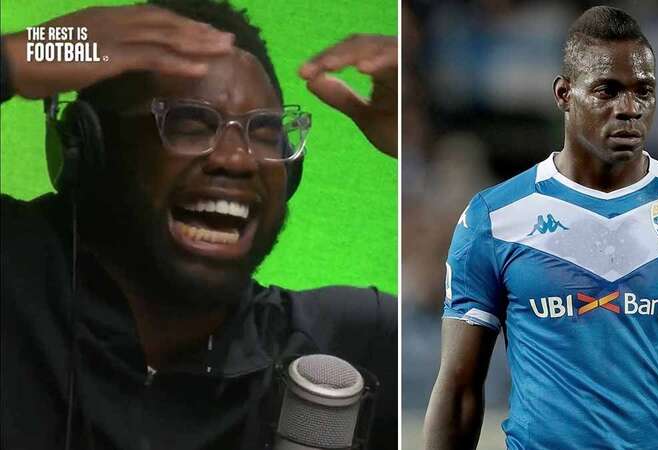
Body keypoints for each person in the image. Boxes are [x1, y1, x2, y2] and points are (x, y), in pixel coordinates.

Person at [0, 1, 397, 449]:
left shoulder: (342, 347)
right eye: (190, 123)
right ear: (89, 148)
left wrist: (419, 134)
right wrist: (17, 58)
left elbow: (486, 299)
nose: (236, 158)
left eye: (264, 132)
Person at [423, 6, 658, 450]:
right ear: (564, 93)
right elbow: (458, 391)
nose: (629, 109)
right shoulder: (494, 219)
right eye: (607, 90)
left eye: (643, 91)